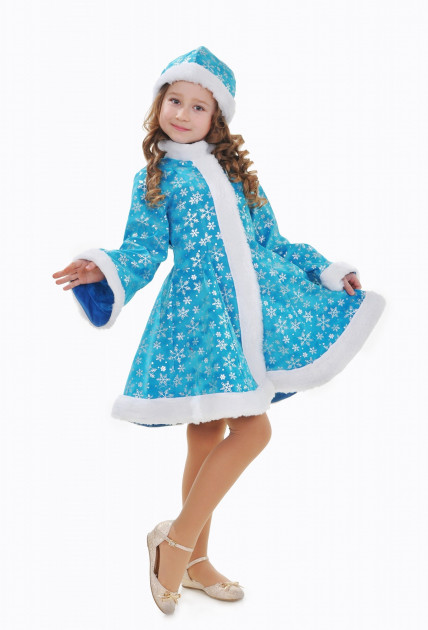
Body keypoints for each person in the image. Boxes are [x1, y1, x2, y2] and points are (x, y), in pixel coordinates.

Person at [52, 46, 385, 615]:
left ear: (218, 118)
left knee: (244, 430)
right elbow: (143, 249)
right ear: (159, 104)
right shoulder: (155, 177)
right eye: (174, 101)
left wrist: (325, 270)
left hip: (249, 310)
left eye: (198, 106)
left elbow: (273, 241)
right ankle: (186, 550)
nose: (182, 113)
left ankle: (181, 548)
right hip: (199, 318)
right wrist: (103, 268)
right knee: (214, 432)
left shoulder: (237, 175)